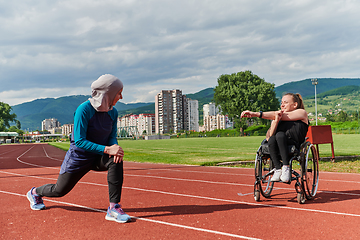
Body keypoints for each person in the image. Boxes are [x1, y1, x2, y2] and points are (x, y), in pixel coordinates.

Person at [26, 74, 131, 223]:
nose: (121, 96)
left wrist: (114, 146)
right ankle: (35, 192)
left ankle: (113, 208)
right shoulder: (84, 109)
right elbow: (80, 141)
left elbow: (111, 136)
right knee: (59, 190)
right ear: (108, 93)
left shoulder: (113, 112)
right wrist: (107, 149)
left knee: (116, 160)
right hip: (79, 158)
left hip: (98, 157)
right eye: (119, 92)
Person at [241, 93, 309, 182]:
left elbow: (282, 116)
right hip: (278, 145)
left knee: (280, 135)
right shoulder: (278, 117)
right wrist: (275, 121)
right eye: (281, 103)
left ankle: (286, 167)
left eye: (285, 102)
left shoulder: (301, 113)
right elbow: (269, 138)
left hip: (293, 144)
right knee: (273, 138)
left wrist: (255, 114)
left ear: (295, 105)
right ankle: (278, 169)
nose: (282, 105)